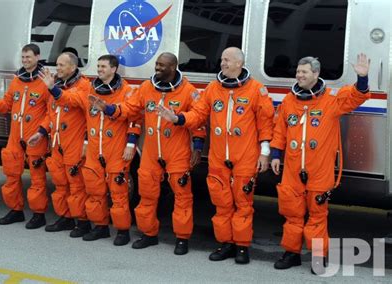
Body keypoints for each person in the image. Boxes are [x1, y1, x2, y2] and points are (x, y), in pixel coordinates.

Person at [157, 47, 274, 263]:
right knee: (221, 203)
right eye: (222, 60)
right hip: (219, 156)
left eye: (227, 60)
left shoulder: (256, 90)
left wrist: (265, 153)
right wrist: (178, 119)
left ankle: (242, 247)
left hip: (246, 155)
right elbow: (198, 114)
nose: (222, 64)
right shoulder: (213, 88)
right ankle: (225, 244)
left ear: (239, 63)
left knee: (243, 203)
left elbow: (265, 123)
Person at [89, 52, 206, 255]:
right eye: (157, 64)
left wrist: (195, 144)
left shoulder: (188, 91)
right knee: (147, 195)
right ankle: (149, 234)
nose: (157, 68)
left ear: (173, 67)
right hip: (152, 151)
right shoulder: (146, 88)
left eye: (162, 65)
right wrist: (108, 109)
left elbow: (198, 118)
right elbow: (130, 110)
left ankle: (182, 238)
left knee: (182, 196)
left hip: (177, 150)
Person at [270, 54, 370, 274]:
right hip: (293, 168)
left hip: (319, 169)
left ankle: (318, 257)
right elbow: (280, 130)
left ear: (316, 74)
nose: (299, 75)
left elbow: (356, 97)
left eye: (304, 72)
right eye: (298, 71)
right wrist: (276, 154)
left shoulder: (331, 100)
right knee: (292, 213)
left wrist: (362, 78)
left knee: (317, 215)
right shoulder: (289, 101)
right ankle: (291, 253)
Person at [44, 54, 141, 246]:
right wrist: (53, 89)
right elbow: (69, 99)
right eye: (98, 66)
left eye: (104, 66)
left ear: (114, 69)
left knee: (118, 193)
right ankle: (100, 226)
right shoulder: (89, 90)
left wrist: (131, 144)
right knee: (95, 191)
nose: (100, 69)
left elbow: (134, 115)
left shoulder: (127, 91)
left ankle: (122, 231)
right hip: (95, 149)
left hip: (115, 149)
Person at [0, 44, 51, 229]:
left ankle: (38, 214)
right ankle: (16, 210)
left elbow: (51, 113)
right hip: (16, 136)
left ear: (38, 57)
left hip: (35, 137)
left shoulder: (46, 81)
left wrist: (41, 132)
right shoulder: (17, 80)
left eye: (29, 57)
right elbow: (7, 105)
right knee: (11, 175)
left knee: (37, 178)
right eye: (23, 57)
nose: (25, 61)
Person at [27, 52, 91, 237]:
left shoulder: (83, 85)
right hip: (57, 143)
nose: (58, 68)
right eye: (57, 64)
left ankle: (83, 222)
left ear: (73, 67)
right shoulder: (58, 85)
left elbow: (69, 99)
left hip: (74, 143)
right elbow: (51, 114)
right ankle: (66, 217)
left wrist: (53, 88)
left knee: (77, 185)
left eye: (62, 65)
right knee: (60, 184)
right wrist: (40, 132)